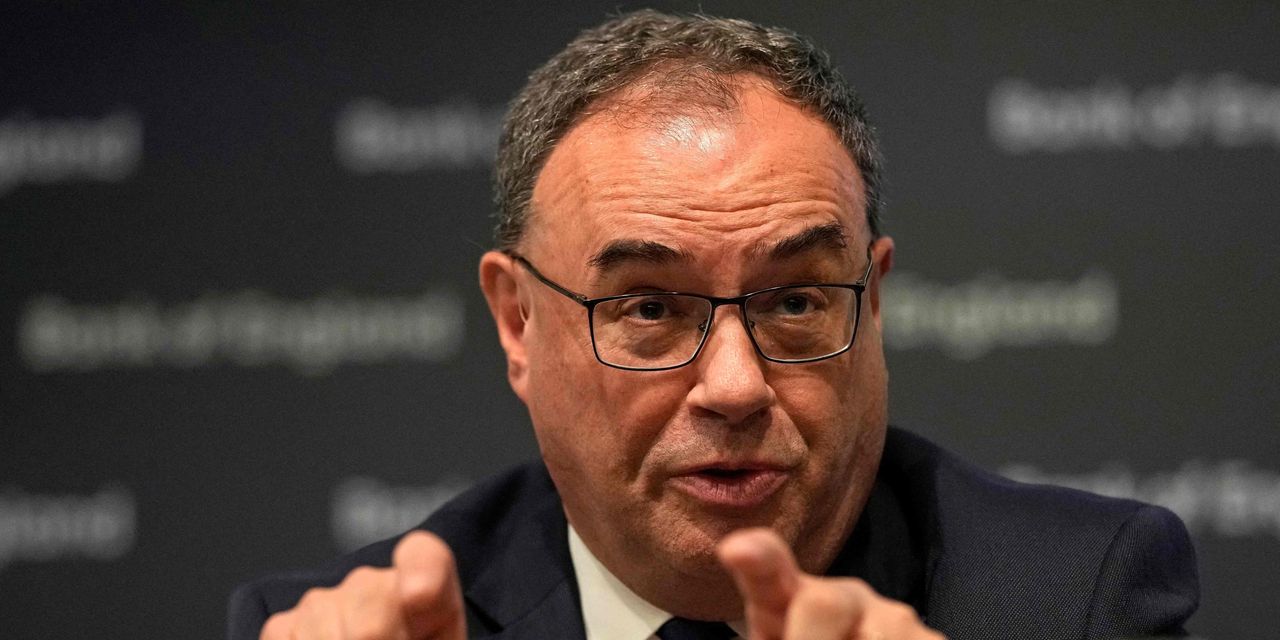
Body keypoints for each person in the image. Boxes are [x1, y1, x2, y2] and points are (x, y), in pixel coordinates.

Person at [228, 10, 1198, 640]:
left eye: (795, 301)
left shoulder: (1075, 600)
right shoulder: (352, 627)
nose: (734, 386)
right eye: (649, 308)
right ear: (518, 324)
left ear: (872, 301)